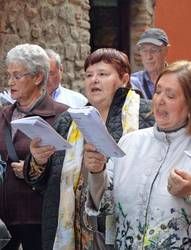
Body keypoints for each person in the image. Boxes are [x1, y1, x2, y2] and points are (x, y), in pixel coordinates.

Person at [85, 60, 191, 249]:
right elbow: (104, 208)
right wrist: (96, 172)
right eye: (158, 91)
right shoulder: (129, 143)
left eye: (171, 95)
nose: (160, 100)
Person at [24, 48, 155, 250]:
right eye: (89, 75)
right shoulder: (69, 120)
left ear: (124, 79)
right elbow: (44, 183)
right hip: (73, 230)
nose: (94, 80)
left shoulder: (145, 115)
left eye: (103, 74)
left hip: (121, 225)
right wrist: (37, 161)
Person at [0, 43, 68, 250]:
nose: (10, 82)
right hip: (4, 219)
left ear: (38, 77)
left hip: (40, 219)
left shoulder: (62, 115)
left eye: (17, 76)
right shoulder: (3, 115)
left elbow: (67, 168)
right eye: (8, 75)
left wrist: (34, 169)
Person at [131, 27, 169, 99]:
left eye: (154, 50)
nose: (148, 57)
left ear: (166, 51)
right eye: (144, 50)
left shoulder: (177, 80)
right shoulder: (133, 82)